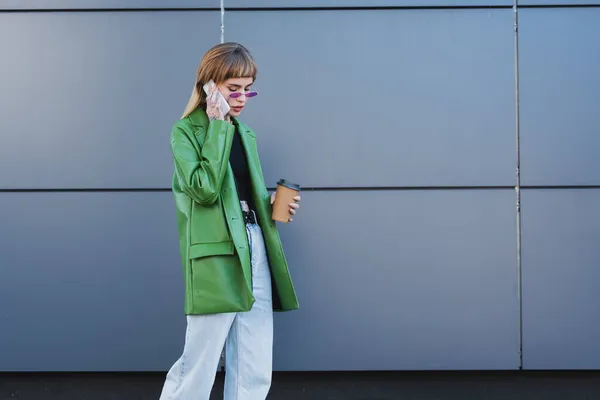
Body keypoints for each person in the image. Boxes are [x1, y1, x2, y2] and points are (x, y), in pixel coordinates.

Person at [159, 42, 301, 400]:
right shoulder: (186, 133)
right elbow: (204, 190)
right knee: (200, 359)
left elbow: (234, 193)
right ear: (209, 86)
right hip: (218, 253)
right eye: (232, 88)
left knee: (255, 359)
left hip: (254, 242)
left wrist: (268, 204)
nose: (241, 98)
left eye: (247, 89)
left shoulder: (246, 134)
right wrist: (218, 125)